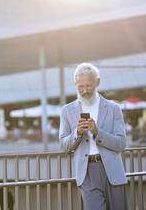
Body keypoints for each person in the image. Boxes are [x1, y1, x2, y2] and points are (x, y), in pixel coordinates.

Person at [59, 63, 128, 210]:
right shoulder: (67, 111)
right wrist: (77, 133)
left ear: (97, 82)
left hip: (112, 171)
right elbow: (64, 146)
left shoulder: (113, 108)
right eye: (80, 87)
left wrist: (97, 132)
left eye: (89, 86)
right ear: (75, 84)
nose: (85, 91)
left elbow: (121, 143)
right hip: (87, 173)